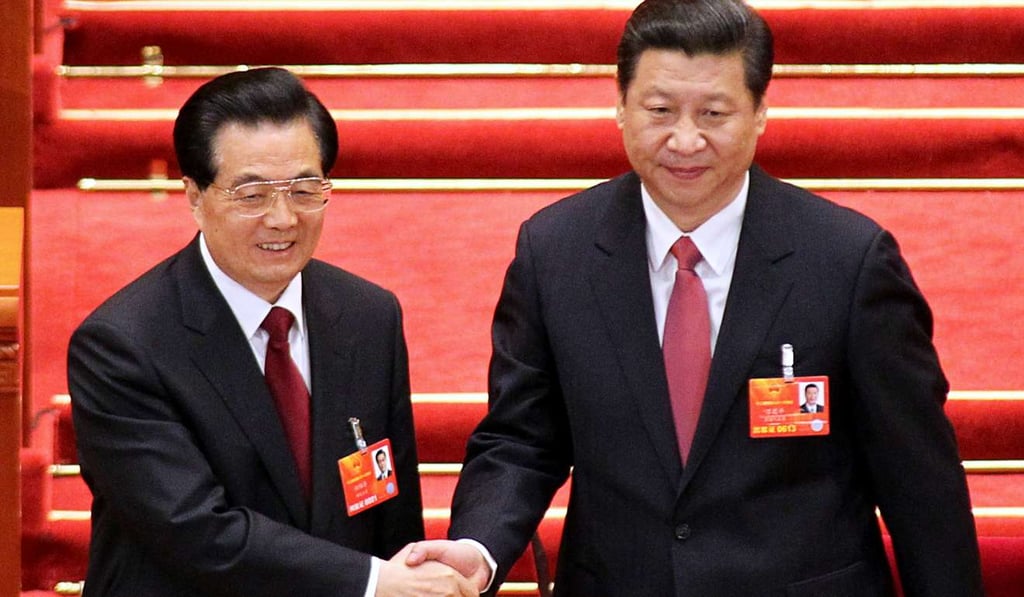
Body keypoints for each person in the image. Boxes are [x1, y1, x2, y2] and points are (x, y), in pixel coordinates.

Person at [406, 1, 984, 595]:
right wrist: (478, 546)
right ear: (620, 106)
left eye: (714, 112)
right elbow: (522, 437)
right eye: (659, 110)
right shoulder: (556, 252)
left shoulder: (847, 261)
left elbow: (918, 479)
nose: (685, 139)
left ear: (760, 111)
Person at [68, 68, 476, 597]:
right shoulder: (122, 345)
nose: (283, 218)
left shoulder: (368, 315)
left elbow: (384, 501)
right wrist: (373, 582)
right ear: (194, 194)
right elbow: (196, 531)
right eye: (252, 194)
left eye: (305, 190)